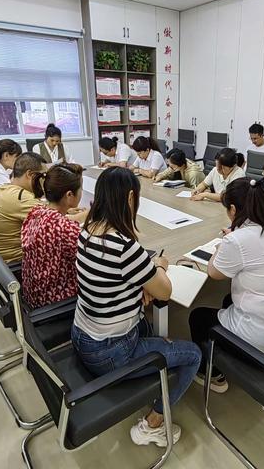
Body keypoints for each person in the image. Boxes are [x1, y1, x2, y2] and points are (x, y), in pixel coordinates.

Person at [71, 167, 201, 447]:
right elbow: (165, 289)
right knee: (193, 354)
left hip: (82, 334)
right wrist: (160, 266)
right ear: (131, 197)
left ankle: (155, 346)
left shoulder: (86, 231)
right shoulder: (122, 246)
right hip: (108, 353)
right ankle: (152, 425)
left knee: (148, 315)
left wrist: (140, 285)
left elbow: (116, 276)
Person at [189, 177, 264, 393]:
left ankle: (213, 374)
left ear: (233, 210)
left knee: (197, 316)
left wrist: (220, 248)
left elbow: (213, 272)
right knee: (228, 300)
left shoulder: (238, 240)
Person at [21, 163, 86, 308]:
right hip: (58, 302)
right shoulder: (65, 229)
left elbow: (59, 225)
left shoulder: (35, 213)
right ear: (69, 195)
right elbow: (96, 259)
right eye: (81, 188)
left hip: (35, 297)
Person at [0, 153, 47, 263]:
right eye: (43, 176)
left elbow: (45, 209)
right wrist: (86, 215)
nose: (44, 181)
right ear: (30, 174)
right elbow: (58, 221)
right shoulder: (21, 198)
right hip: (16, 263)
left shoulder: (4, 189)